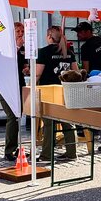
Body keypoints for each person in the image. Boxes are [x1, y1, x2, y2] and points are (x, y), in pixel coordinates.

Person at [71, 21, 101, 153]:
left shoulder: (86, 47)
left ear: (88, 31)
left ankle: (88, 138)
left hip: (95, 81)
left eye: (81, 32)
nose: (78, 35)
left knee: (88, 111)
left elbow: (85, 69)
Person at [36, 26, 77, 161]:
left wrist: (32, 85)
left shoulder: (43, 52)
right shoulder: (69, 51)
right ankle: (72, 152)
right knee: (68, 122)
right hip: (66, 91)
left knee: (49, 123)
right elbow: (76, 72)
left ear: (49, 36)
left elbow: (37, 73)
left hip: (49, 91)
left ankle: (47, 155)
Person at [1, 22, 27, 161]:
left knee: (18, 116)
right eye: (17, 31)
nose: (21, 33)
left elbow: (23, 64)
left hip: (19, 83)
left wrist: (27, 68)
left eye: (22, 30)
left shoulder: (23, 48)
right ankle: (9, 150)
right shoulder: (8, 47)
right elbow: (7, 62)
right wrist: (17, 47)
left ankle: (16, 147)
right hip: (6, 84)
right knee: (12, 115)